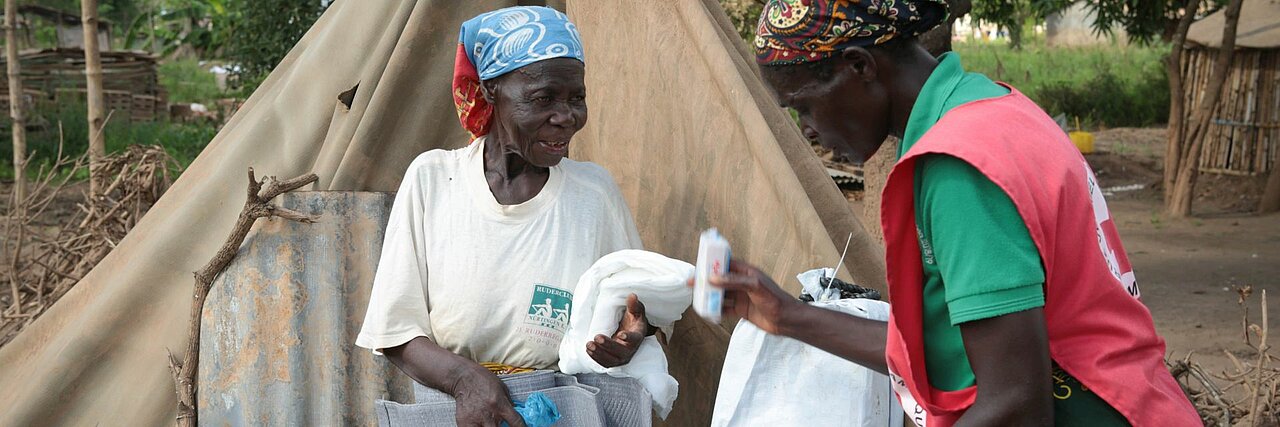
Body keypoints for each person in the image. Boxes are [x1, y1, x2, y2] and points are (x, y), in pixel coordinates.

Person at [707, 0, 1200, 425]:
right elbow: (964, 346)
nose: (807, 130)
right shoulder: (993, 108)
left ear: (860, 67)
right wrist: (788, 316)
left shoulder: (957, 169)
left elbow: (1017, 405)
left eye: (803, 107)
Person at [356, 6, 652, 427]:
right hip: (454, 408)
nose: (566, 117)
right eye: (543, 98)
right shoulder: (435, 179)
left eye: (576, 98)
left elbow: (638, 307)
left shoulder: (594, 193)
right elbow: (394, 330)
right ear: (492, 90)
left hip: (563, 411)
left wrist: (631, 337)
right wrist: (465, 381)